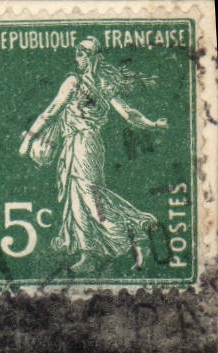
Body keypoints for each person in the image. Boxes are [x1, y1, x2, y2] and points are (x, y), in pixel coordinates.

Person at [19, 36, 166, 272]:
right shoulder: (95, 84)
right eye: (78, 54)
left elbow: (50, 113)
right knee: (78, 197)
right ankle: (88, 253)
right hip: (77, 144)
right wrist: (152, 124)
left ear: (91, 58)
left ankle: (135, 233)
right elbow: (128, 114)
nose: (78, 58)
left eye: (82, 54)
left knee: (89, 195)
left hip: (84, 145)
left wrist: (28, 139)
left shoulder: (78, 83)